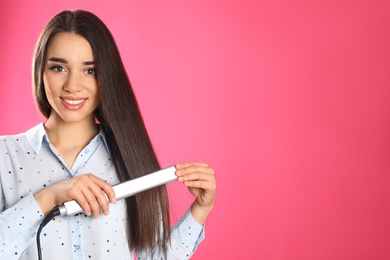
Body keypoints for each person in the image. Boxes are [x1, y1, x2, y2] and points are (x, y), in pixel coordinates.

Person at [0, 10, 216, 260]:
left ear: (107, 77)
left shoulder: (131, 158)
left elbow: (155, 257)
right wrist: (49, 197)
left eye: (89, 71)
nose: (72, 85)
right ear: (41, 71)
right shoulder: (5, 156)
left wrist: (201, 208)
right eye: (59, 68)